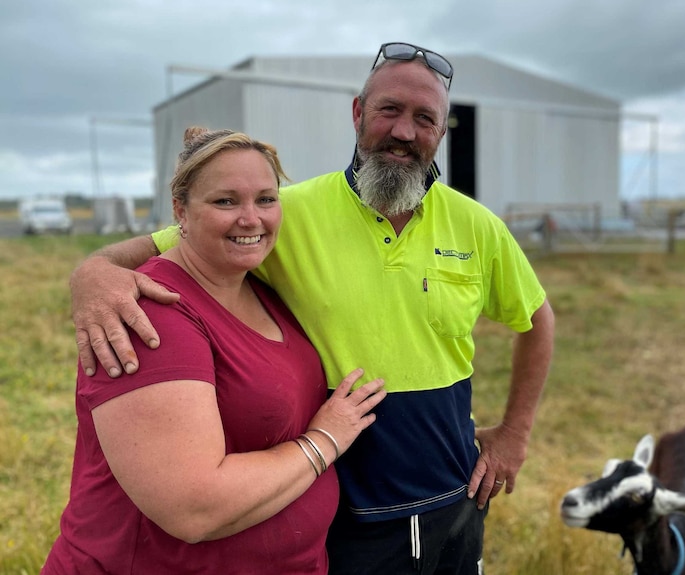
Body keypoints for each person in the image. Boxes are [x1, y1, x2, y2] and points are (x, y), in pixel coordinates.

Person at [69, 42, 555, 575]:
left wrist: (514, 433)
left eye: (424, 118)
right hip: (344, 508)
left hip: (455, 498)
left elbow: (536, 319)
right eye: (389, 110)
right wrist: (93, 274)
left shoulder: (477, 225)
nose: (403, 132)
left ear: (441, 132)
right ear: (358, 113)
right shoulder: (282, 211)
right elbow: (167, 247)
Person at [44, 127, 386, 574]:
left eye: (266, 199)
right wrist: (326, 440)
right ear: (180, 212)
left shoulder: (262, 290)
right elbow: (193, 508)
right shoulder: (150, 313)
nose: (251, 218)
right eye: (225, 201)